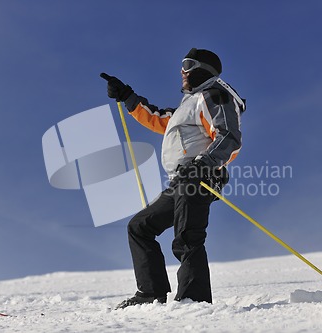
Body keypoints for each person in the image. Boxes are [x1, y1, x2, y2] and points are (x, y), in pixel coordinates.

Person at [101, 48, 246, 309]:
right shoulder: (187, 105)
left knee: (187, 235)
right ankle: (150, 293)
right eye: (182, 64)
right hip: (181, 179)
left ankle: (194, 299)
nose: (183, 70)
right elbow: (157, 118)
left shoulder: (216, 94)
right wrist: (127, 97)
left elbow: (229, 137)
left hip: (200, 175)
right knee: (139, 227)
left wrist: (204, 164)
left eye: (188, 64)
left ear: (205, 69)